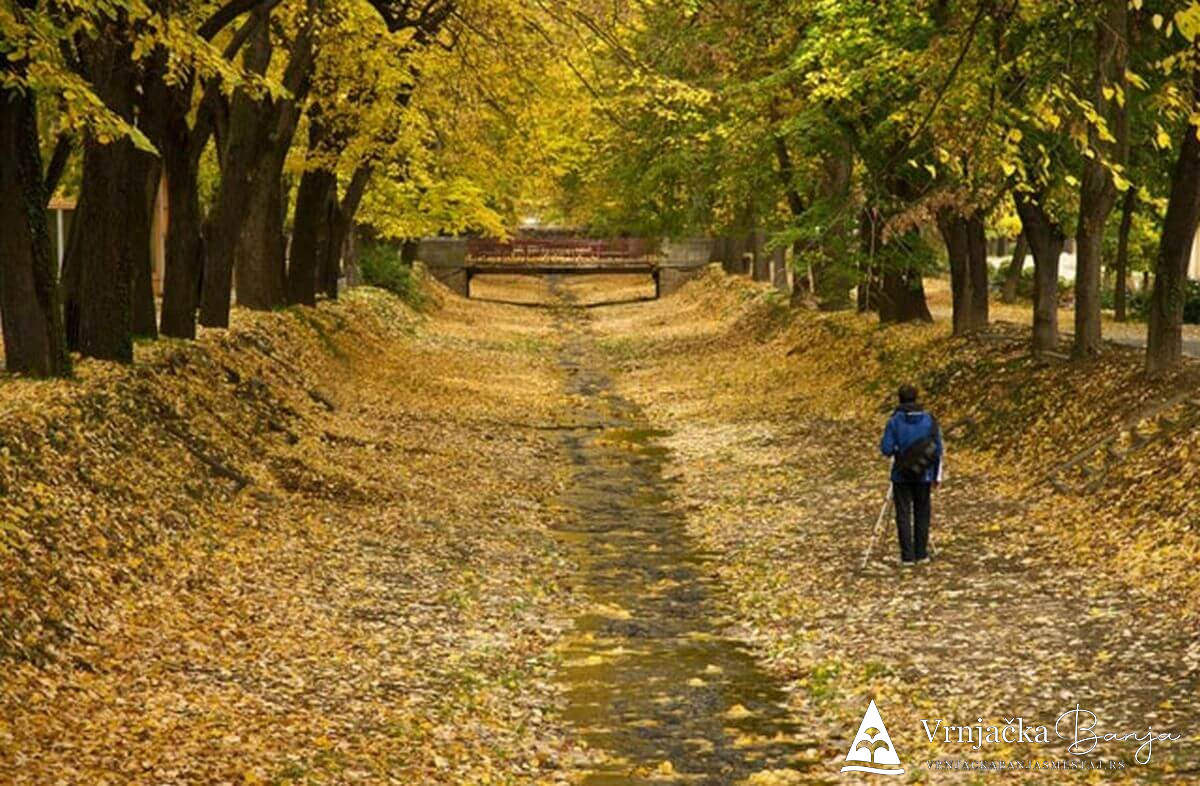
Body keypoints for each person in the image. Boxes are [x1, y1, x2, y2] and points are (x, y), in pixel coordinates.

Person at [879, 384, 942, 565]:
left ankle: (907, 556)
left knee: (903, 513)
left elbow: (886, 448)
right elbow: (937, 449)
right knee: (922, 512)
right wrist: (936, 475)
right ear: (916, 397)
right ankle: (921, 553)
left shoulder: (894, 421)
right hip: (924, 473)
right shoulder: (929, 419)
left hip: (901, 474)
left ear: (899, 398)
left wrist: (899, 449)